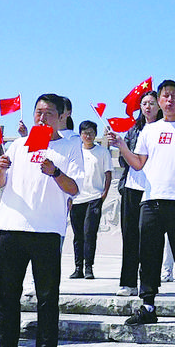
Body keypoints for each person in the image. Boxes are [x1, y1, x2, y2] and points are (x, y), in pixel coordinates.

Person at [108, 80, 175, 331]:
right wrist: (122, 145)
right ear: (160, 99)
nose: (169, 100)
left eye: (174, 96)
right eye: (165, 96)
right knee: (149, 255)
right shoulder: (149, 130)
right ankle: (148, 306)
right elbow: (138, 163)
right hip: (151, 201)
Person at [0, 94, 82, 347]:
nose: (42, 117)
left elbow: (74, 188)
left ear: (62, 116)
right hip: (12, 228)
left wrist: (55, 172)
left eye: (49, 113)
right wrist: (0, 169)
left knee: (47, 296)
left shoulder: (70, 147)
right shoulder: (19, 145)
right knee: (7, 295)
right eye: (38, 112)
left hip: (47, 230)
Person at [115, 90, 160, 296]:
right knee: (130, 236)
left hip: (153, 190)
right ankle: (128, 282)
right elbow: (123, 161)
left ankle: (149, 284)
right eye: (144, 104)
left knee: (149, 239)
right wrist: (122, 148)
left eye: (152, 103)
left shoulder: (164, 129)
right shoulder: (134, 130)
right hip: (132, 188)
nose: (148, 107)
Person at [69, 120, 112, 280]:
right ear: (80, 135)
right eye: (85, 133)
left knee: (89, 233)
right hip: (76, 198)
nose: (88, 136)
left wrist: (104, 194)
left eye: (91, 133)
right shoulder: (75, 152)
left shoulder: (102, 152)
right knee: (78, 235)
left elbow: (108, 173)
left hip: (94, 198)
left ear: (95, 134)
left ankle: (89, 267)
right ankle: (78, 267)